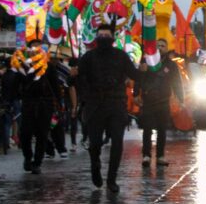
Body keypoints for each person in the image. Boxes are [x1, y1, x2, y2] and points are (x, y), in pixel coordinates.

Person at [78, 23, 139, 191]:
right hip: (95, 105)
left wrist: (143, 69)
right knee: (95, 143)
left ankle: (112, 179)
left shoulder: (121, 56)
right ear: (96, 38)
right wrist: (75, 74)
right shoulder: (88, 57)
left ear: (112, 38)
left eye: (106, 36)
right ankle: (95, 164)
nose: (103, 38)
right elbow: (78, 79)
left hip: (116, 104)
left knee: (117, 143)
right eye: (101, 36)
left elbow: (135, 75)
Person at [135, 38, 184, 167]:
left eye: (163, 46)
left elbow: (177, 83)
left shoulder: (171, 65)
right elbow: (138, 78)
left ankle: (160, 156)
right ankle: (146, 155)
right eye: (158, 46)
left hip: (163, 101)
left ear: (167, 48)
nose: (160, 48)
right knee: (147, 129)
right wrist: (136, 94)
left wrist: (181, 98)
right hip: (148, 100)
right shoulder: (146, 61)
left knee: (162, 129)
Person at [16, 40, 61, 175]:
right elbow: (17, 84)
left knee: (42, 134)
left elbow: (56, 87)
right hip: (28, 103)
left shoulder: (49, 67)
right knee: (25, 133)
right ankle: (27, 157)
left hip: (45, 104)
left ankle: (37, 162)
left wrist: (58, 104)